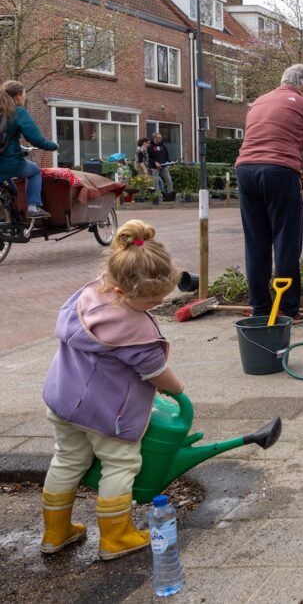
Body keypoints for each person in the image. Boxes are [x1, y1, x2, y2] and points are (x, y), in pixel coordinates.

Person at [39, 219, 185, 559]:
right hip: (105, 412)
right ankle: (116, 537)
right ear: (122, 292)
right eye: (151, 301)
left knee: (67, 459)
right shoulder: (131, 327)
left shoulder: (89, 295)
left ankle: (55, 532)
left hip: (62, 398)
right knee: (120, 464)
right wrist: (178, 389)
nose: (156, 305)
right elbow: (156, 371)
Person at [235, 64, 303, 324]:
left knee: (256, 241)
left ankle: (260, 308)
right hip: (279, 172)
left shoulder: (258, 102)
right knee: (286, 241)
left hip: (245, 171)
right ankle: (287, 308)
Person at [1, 80, 58, 219]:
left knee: (10, 188)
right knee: (34, 171)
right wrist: (54, 146)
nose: (25, 97)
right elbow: (36, 140)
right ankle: (33, 207)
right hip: (9, 162)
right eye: (24, 94)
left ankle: (10, 216)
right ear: (19, 95)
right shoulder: (17, 111)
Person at [147, 132, 173, 196]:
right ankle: (157, 195)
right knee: (155, 182)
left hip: (163, 166)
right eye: (159, 138)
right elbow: (149, 158)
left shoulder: (162, 145)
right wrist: (155, 162)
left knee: (169, 179)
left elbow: (166, 155)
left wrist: (170, 162)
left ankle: (170, 194)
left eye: (161, 138)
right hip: (154, 167)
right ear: (155, 138)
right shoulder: (150, 146)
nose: (161, 139)